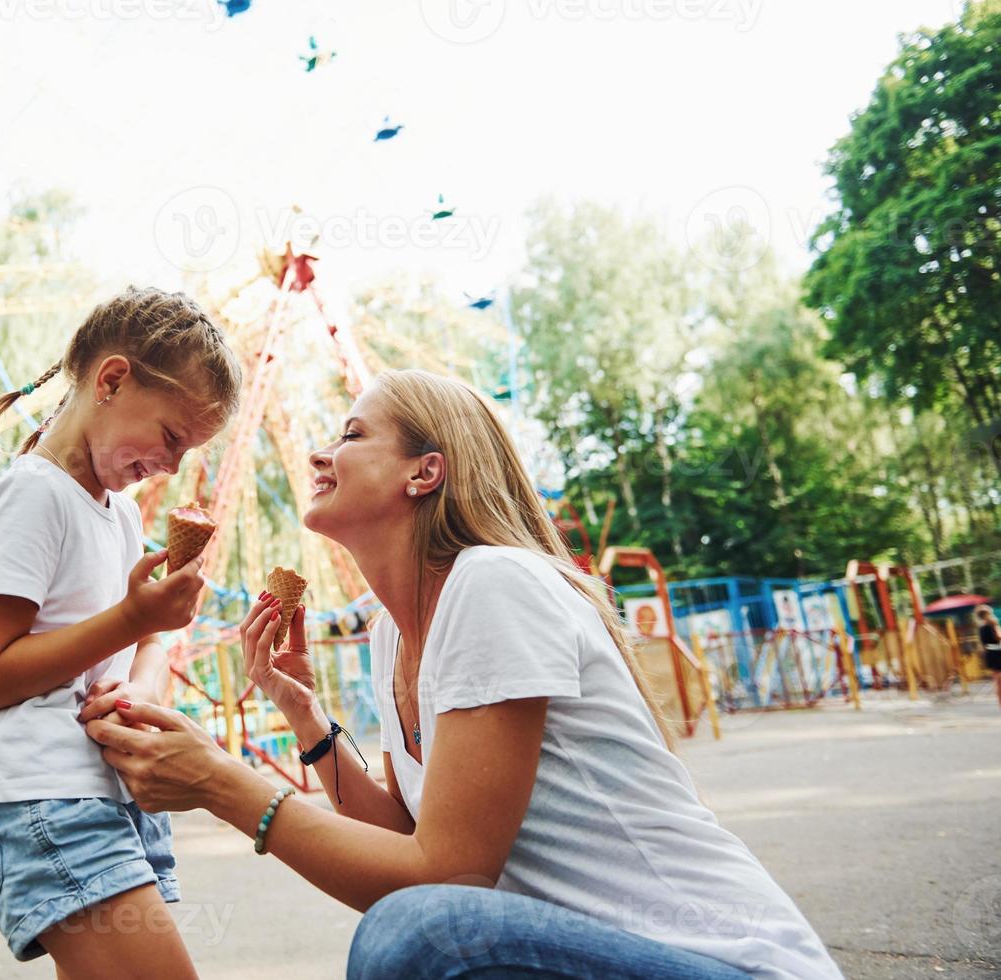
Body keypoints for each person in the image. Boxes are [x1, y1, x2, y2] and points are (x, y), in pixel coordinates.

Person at [82, 369, 843, 979]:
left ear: (426, 473)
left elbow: (443, 875)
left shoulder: (494, 583)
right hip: (576, 956)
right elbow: (409, 839)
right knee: (422, 923)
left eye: (350, 435)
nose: (319, 455)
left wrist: (221, 783)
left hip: (720, 961)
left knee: (423, 933)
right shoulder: (392, 636)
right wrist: (306, 716)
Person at [0, 286, 241, 977]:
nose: (172, 467)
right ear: (112, 379)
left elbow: (143, 646)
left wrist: (139, 686)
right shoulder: (33, 495)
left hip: (105, 791)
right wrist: (133, 617)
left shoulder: (123, 518)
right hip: (42, 795)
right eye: (171, 437)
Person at [977, 604, 1001, 708]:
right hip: (998, 654)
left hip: (990, 655)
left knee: (998, 682)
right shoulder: (992, 625)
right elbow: (998, 638)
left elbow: (982, 645)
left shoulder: (981, 628)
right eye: (990, 613)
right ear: (987, 614)